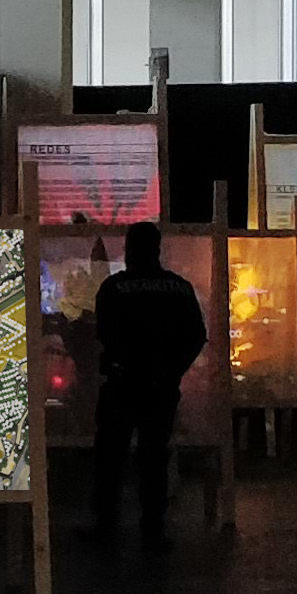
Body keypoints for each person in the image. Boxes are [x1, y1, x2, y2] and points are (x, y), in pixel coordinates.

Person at [91, 220, 206, 549]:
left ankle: (106, 526)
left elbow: (102, 333)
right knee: (154, 458)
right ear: (158, 249)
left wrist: (122, 362)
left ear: (129, 249)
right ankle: (153, 529)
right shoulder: (179, 288)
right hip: (161, 387)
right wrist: (172, 370)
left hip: (122, 384)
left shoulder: (114, 288)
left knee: (110, 456)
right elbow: (196, 336)